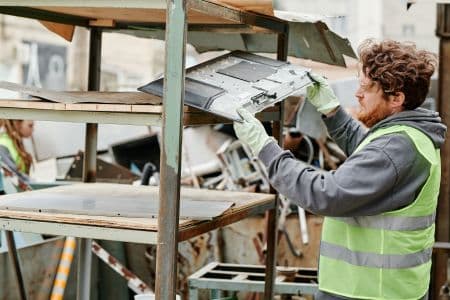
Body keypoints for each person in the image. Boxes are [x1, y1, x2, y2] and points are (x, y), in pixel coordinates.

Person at [234, 39, 446, 300]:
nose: (358, 94)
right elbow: (369, 151)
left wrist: (265, 148)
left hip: (368, 292)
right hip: (385, 289)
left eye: (367, 89)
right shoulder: (410, 136)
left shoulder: (395, 148)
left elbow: (326, 194)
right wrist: (332, 111)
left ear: (396, 98)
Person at [0, 120, 34, 192]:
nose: (33, 130)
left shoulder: (16, 142)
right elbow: (13, 176)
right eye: (30, 126)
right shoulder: (3, 144)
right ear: (17, 124)